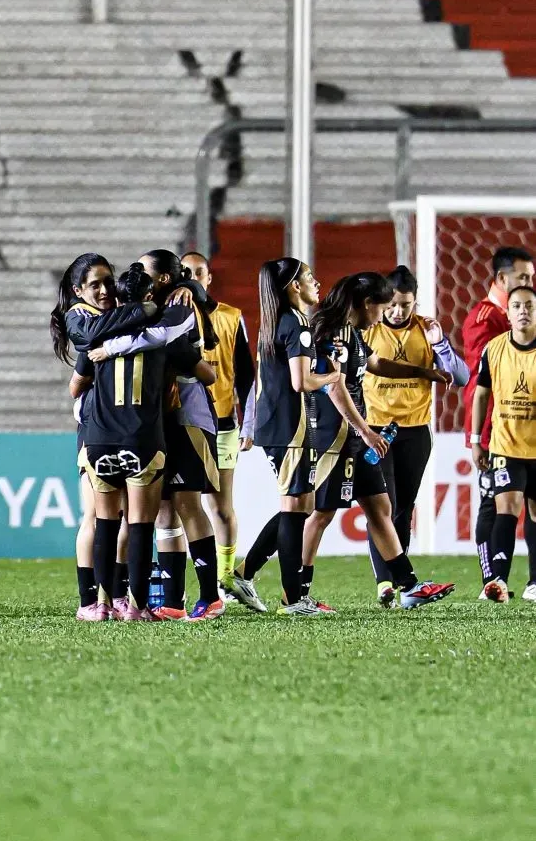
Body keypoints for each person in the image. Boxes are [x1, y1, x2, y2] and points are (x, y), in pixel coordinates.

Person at [70, 264, 214, 620]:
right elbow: (207, 374)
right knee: (139, 525)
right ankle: (135, 607)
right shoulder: (165, 335)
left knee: (104, 522)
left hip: (100, 439)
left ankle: (99, 605)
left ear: (118, 297)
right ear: (150, 296)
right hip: (143, 440)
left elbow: (75, 388)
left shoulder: (96, 336)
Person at [303, 273, 456, 609]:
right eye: (383, 307)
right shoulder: (334, 335)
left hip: (356, 436)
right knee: (321, 513)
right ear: (368, 305)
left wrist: (422, 372)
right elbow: (335, 388)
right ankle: (294, 590)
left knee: (380, 507)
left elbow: (378, 365)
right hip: (337, 436)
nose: (384, 315)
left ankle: (408, 585)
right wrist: (366, 431)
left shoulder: (355, 333)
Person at [231, 259, 339, 615]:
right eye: (309, 276)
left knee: (301, 506)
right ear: (294, 285)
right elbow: (302, 381)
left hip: (280, 426)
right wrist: (332, 377)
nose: (316, 281)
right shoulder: (297, 323)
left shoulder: (275, 321)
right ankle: (294, 599)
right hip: (289, 429)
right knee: (295, 509)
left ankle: (245, 574)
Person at [363, 266, 469, 605]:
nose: (397, 311)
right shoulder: (369, 330)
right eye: (393, 304)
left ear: (415, 303)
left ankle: (401, 582)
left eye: (405, 305)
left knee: (404, 508)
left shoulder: (427, 330)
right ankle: (385, 582)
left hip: (415, 430)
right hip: (377, 429)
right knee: (383, 506)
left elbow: (460, 376)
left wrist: (442, 345)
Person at [134, 249, 225, 621]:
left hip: (188, 415)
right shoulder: (156, 306)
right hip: (161, 419)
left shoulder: (182, 305)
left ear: (165, 279)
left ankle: (211, 596)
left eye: (144, 270)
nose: (136, 275)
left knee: (188, 504)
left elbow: (202, 362)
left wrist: (191, 288)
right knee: (165, 512)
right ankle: (172, 601)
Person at [50, 253, 142, 618]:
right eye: (94, 285)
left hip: (122, 425)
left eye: (108, 281)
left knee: (121, 516)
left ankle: (116, 594)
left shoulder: (114, 314)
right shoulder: (80, 317)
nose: (104, 290)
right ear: (77, 291)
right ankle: (89, 599)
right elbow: (78, 381)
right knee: (94, 515)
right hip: (94, 427)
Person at [462, 246, 536, 598]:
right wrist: (480, 436)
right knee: (497, 503)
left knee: (519, 506)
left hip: (522, 434)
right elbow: (481, 386)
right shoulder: (487, 324)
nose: (528, 285)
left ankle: (527, 580)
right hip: (498, 432)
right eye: (523, 278)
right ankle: (493, 578)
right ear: (502, 281)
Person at [181, 252, 256, 597]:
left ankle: (226, 577)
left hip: (224, 423)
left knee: (221, 506)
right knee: (184, 507)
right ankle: (180, 585)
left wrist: (249, 425)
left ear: (209, 278)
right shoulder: (177, 315)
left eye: (200, 272)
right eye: (187, 272)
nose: (194, 277)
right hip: (186, 425)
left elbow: (246, 376)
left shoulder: (231, 317)